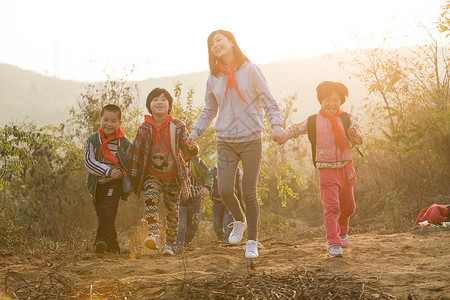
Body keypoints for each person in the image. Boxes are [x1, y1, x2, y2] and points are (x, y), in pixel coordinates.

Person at [186, 30, 285, 259]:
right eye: (211, 43)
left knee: (248, 191)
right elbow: (210, 109)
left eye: (219, 39)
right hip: (226, 141)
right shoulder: (214, 78)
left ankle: (251, 240)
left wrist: (277, 126)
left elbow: (269, 100)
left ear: (231, 42)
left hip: (251, 139)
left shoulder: (250, 70)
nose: (215, 44)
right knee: (224, 189)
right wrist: (195, 132)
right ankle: (239, 221)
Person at [277, 81, 364, 258]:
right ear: (320, 100)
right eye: (327, 100)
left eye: (335, 100)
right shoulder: (313, 121)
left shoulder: (347, 118)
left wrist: (356, 136)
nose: (331, 103)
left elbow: (359, 138)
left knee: (349, 207)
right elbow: (296, 128)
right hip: (326, 170)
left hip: (346, 167)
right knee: (332, 208)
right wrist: (284, 135)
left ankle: (342, 232)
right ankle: (333, 243)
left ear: (341, 101)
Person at [128, 88, 198, 256]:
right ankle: (154, 235)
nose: (159, 102)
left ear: (169, 105)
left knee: (172, 210)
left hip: (173, 175)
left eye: (164, 99)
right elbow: (135, 154)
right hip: (152, 174)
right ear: (149, 105)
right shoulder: (144, 128)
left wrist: (192, 147)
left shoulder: (178, 126)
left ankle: (170, 246)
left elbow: (187, 147)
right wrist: (131, 178)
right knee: (150, 197)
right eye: (155, 100)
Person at [84, 104, 131, 254]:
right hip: (97, 184)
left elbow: (131, 162)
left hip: (115, 183)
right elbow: (89, 162)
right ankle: (113, 248)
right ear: (100, 120)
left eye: (113, 121)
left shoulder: (124, 143)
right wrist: (108, 171)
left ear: (120, 123)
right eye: (106, 120)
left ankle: (100, 241)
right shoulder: (92, 140)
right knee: (103, 215)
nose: (109, 124)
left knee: (109, 210)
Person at [176, 155, 213, 250]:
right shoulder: (176, 159)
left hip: (196, 199)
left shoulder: (197, 161)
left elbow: (208, 175)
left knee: (194, 224)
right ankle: (178, 246)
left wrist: (207, 187)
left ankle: (186, 243)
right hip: (181, 199)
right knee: (181, 224)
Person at [210, 162, 243, 242]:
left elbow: (240, 187)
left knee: (228, 221)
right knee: (217, 225)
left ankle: (228, 240)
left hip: (230, 201)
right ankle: (220, 239)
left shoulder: (237, 171)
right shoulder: (212, 170)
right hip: (217, 202)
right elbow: (208, 184)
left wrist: (241, 203)